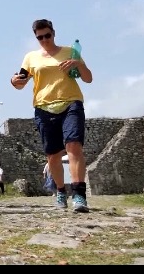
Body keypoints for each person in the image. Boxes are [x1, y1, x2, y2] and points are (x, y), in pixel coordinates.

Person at [10, 18, 93, 213]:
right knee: (53, 156)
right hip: (44, 107)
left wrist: (78, 63)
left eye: (47, 35)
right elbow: (20, 82)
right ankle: (61, 191)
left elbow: (88, 78)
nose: (45, 39)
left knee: (73, 146)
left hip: (71, 102)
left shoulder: (69, 52)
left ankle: (79, 194)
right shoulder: (30, 58)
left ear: (53, 33)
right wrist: (13, 80)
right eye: (40, 37)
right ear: (36, 38)